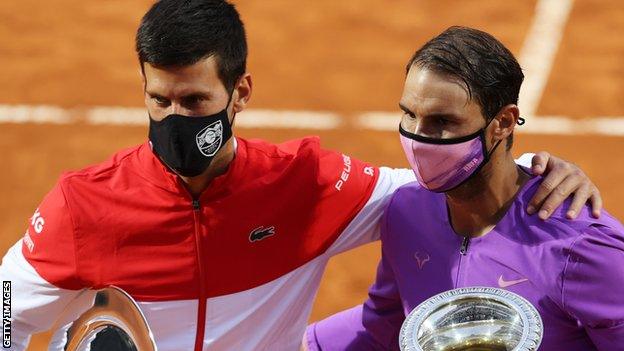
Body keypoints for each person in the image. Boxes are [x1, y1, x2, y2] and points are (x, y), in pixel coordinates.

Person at [0, 2, 603, 351]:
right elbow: (6, 313)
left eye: (194, 101)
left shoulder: (307, 186)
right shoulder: (84, 208)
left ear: (240, 93)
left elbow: (432, 177)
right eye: (159, 100)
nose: (174, 120)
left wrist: (530, 169)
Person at [304, 26, 624, 351]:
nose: (418, 138)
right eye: (409, 114)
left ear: (503, 122)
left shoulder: (580, 248)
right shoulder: (406, 211)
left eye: (442, 122)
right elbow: (384, 325)